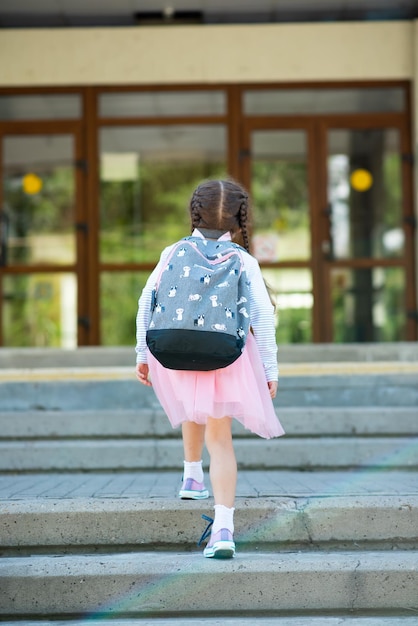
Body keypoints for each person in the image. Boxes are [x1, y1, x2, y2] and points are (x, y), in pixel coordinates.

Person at [135, 179, 285, 559]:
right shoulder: (243, 259)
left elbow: (145, 302)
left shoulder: (173, 251)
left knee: (193, 403)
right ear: (239, 219)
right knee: (220, 441)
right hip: (227, 357)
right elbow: (263, 317)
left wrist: (141, 352)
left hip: (175, 349)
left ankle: (190, 473)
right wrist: (270, 367)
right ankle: (223, 528)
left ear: (194, 214)